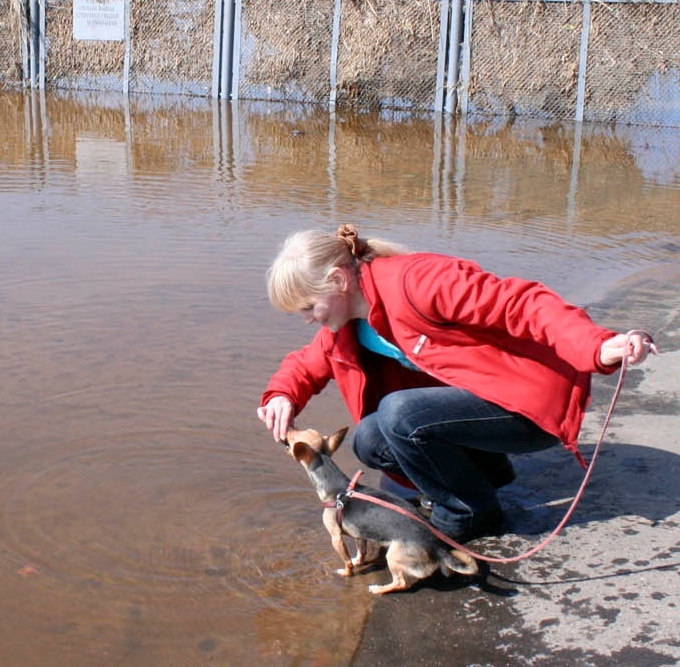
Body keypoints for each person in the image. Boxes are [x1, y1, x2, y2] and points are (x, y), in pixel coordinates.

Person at [257, 224, 657, 543]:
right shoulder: (346, 322)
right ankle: (483, 479)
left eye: (310, 307)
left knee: (399, 414)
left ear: (338, 280)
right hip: (478, 409)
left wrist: (598, 344)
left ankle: (468, 516)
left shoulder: (418, 280)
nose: (308, 318)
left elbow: (521, 303)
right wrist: (282, 395)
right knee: (369, 439)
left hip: (527, 408)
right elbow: (308, 362)